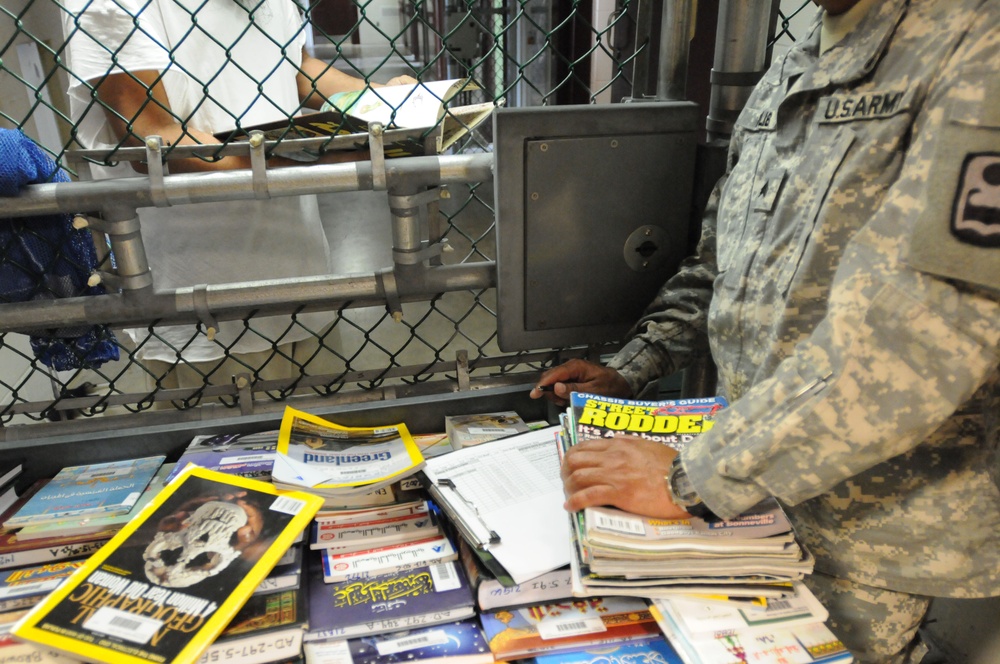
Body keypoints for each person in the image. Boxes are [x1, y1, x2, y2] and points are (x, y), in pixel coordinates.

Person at [532, 0, 999, 662]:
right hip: (744, 495)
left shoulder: (976, 46)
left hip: (870, 533)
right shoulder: (795, 63)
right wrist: (635, 365)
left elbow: (920, 338)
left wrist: (692, 479)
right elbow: (726, 267)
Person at [59, 0, 416, 393]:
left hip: (303, 276)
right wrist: (324, 161)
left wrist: (383, 99)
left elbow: (294, 67)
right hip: (202, 302)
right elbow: (152, 138)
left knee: (317, 432)